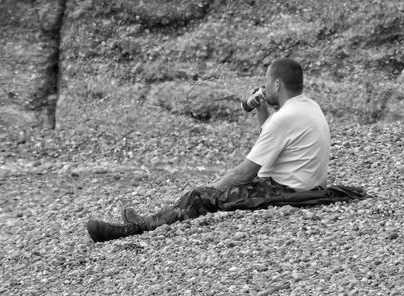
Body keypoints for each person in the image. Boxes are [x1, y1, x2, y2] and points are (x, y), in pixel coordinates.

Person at [86, 58, 368, 242]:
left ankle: (139, 228)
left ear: (277, 84)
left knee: (200, 195)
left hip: (283, 191)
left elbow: (245, 173)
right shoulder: (307, 107)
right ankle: (150, 219)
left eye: (267, 82)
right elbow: (272, 137)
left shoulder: (284, 118)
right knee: (208, 192)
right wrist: (262, 110)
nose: (264, 86)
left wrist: (212, 190)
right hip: (304, 185)